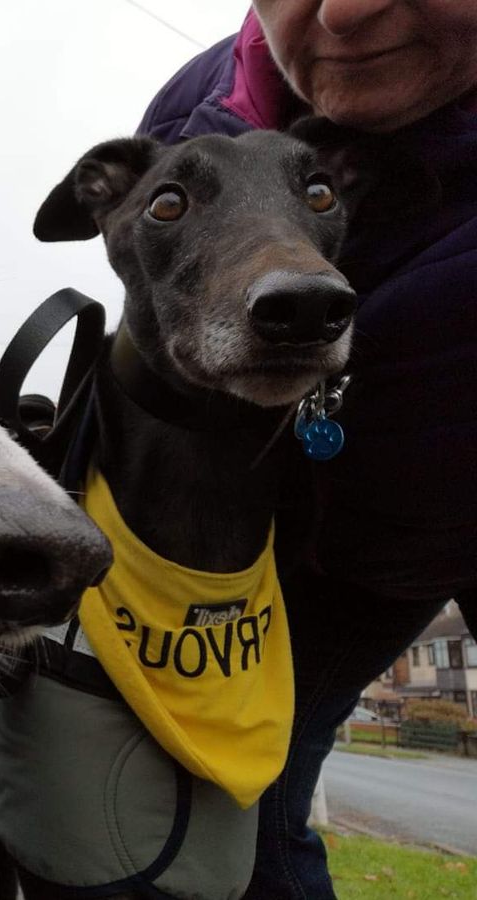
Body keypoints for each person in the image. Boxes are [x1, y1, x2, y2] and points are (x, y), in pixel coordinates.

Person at [137, 2, 477, 897]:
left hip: (412, 533)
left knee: (247, 797)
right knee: (227, 791)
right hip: (275, 534)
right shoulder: (190, 112)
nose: (348, 10)